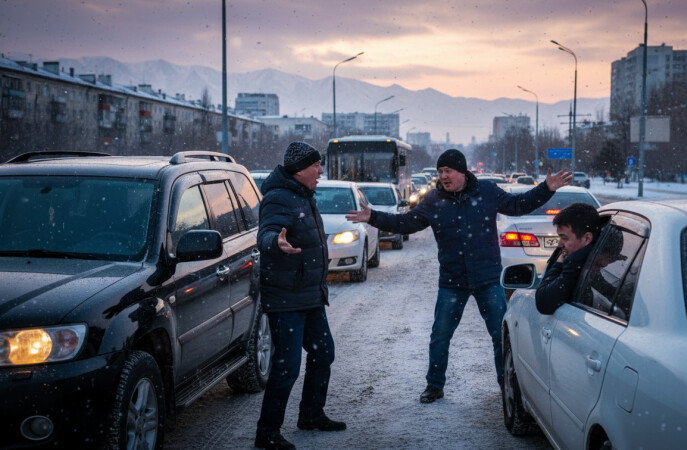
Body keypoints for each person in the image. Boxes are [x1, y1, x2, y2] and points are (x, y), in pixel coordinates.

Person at [346, 149, 572, 403]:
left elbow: (518, 205)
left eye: (448, 171)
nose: (443, 176)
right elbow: (406, 223)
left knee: (500, 335)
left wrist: (546, 189)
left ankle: (506, 382)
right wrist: (373, 217)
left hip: (487, 279)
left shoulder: (486, 191)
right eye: (440, 171)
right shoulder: (433, 200)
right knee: (440, 335)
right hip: (452, 281)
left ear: (462, 172)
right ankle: (434, 385)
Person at [255, 142, 345, 450]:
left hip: (309, 296)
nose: (321, 171)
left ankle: (311, 414)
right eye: (317, 165)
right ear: (300, 169)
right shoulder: (279, 198)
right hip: (286, 299)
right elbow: (267, 233)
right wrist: (274, 243)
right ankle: (267, 433)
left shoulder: (303, 196)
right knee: (287, 366)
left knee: (323, 353)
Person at [534, 202, 601, 315]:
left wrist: (559, 263)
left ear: (587, 238)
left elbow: (543, 302)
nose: (559, 244)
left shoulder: (576, 263)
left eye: (564, 238)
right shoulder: (590, 257)